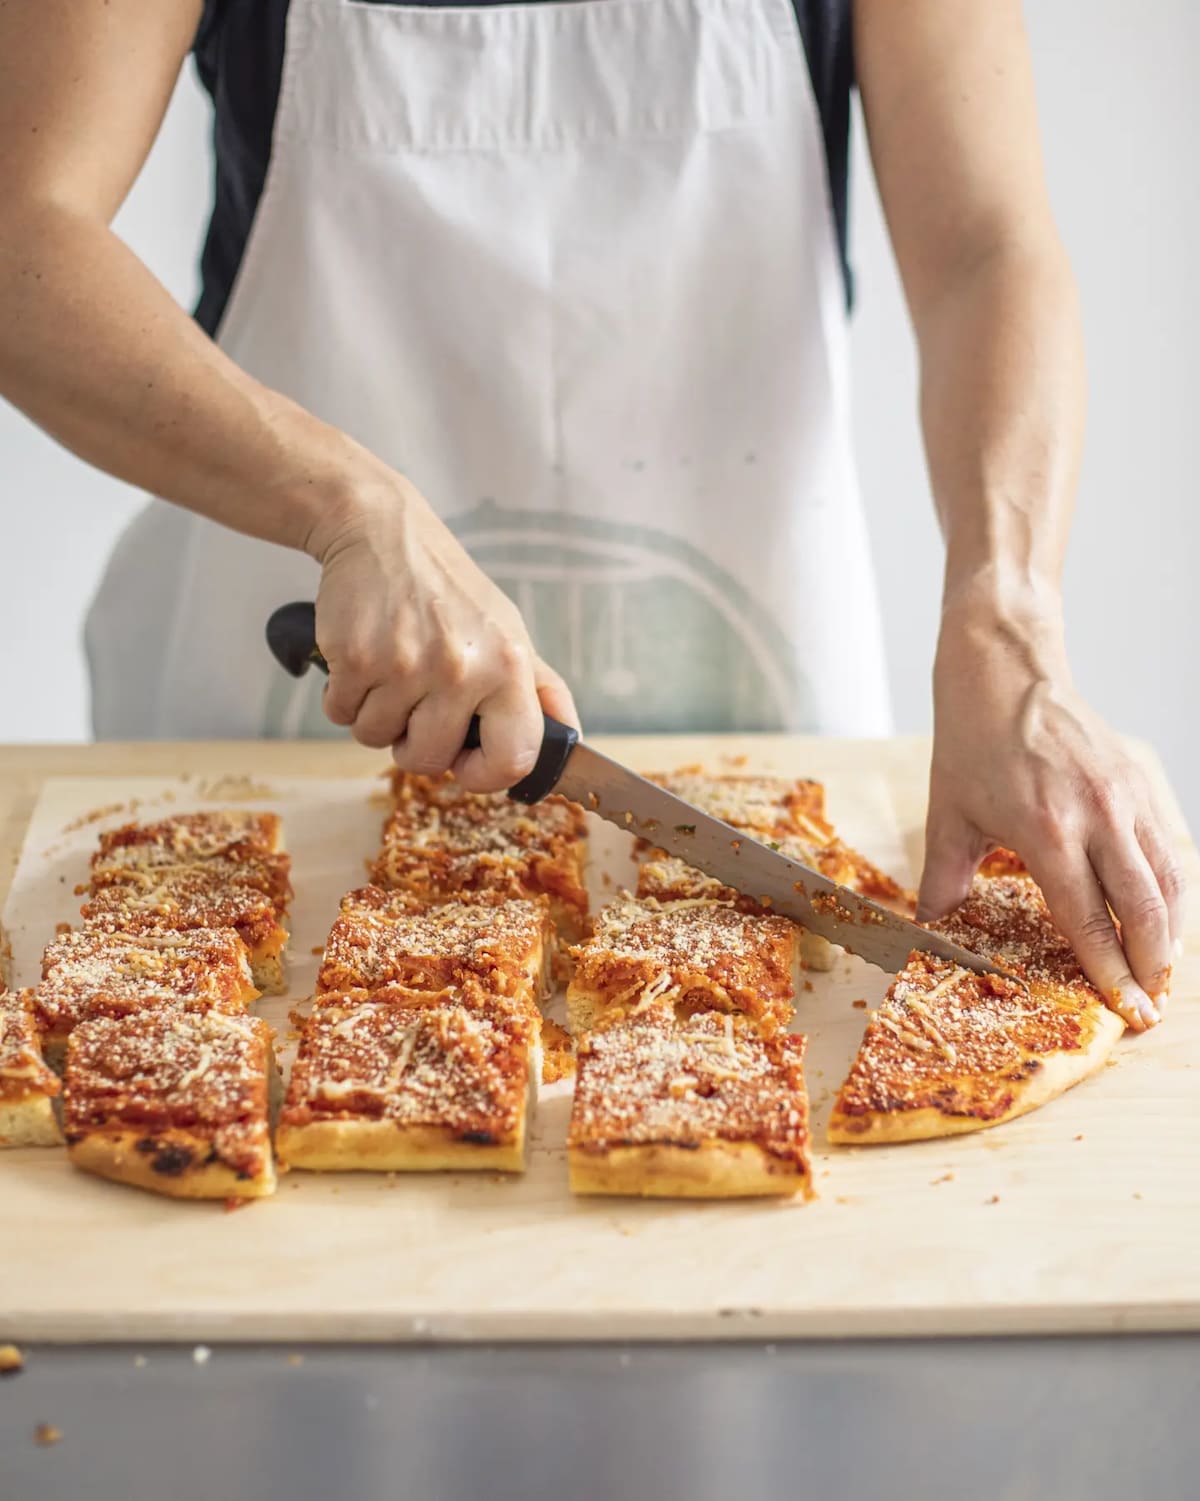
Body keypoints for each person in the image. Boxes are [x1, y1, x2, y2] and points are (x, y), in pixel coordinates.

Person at [0, 0, 1183, 1029]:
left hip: (770, 729)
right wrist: (350, 506)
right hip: (269, 734)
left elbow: (987, 246)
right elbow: (20, 235)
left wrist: (1008, 615)